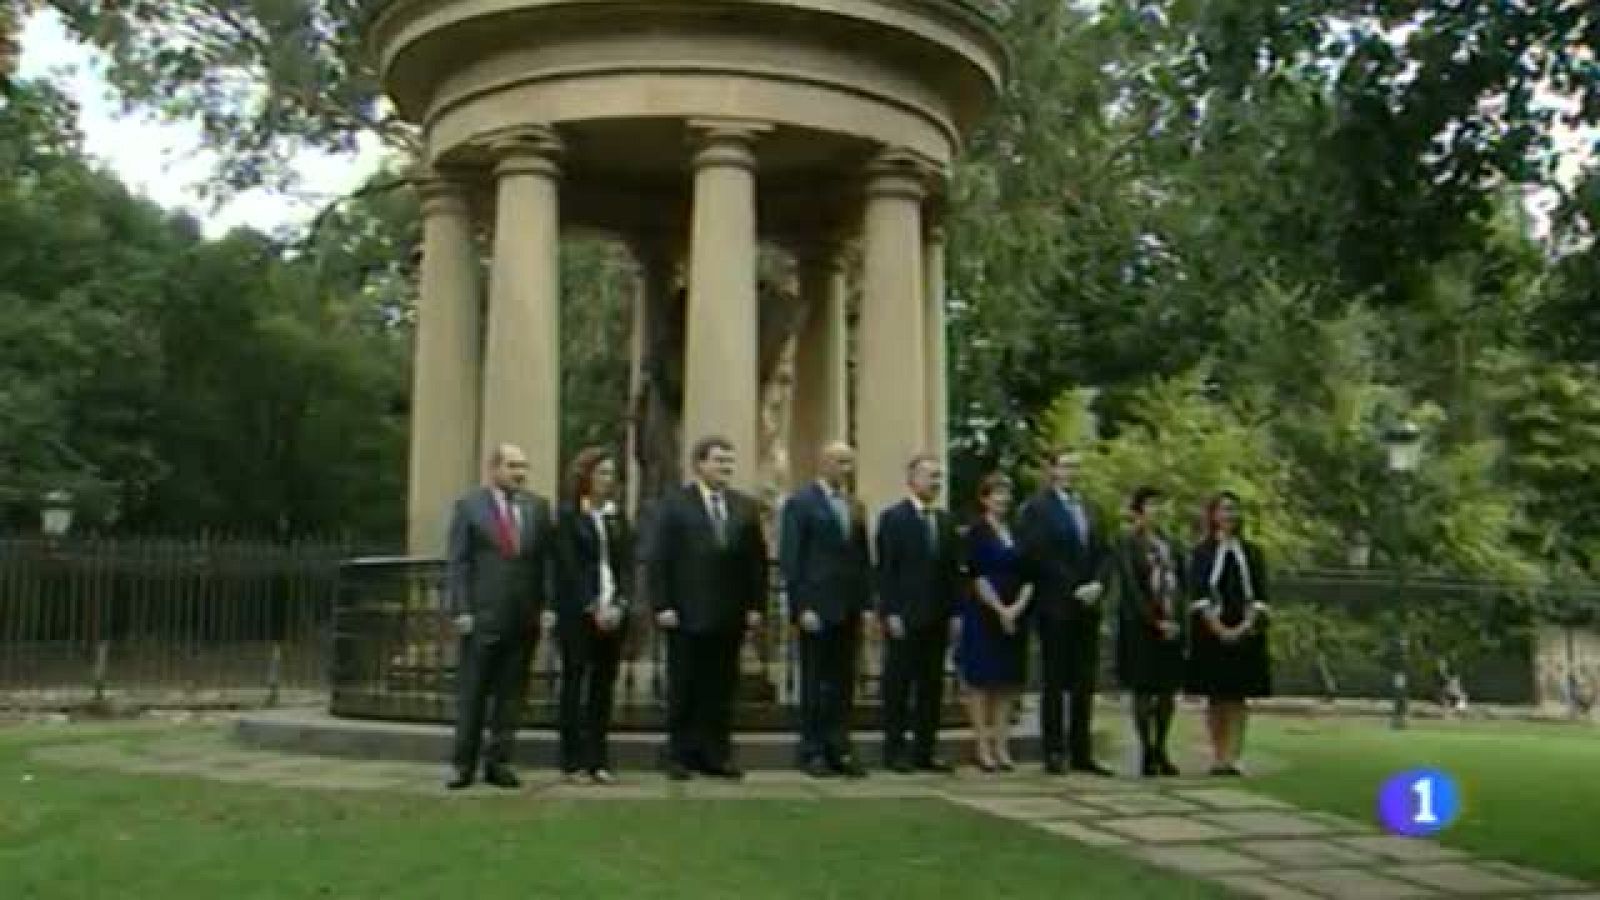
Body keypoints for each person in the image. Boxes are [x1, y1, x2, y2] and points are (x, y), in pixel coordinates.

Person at [647, 435, 768, 780]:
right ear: (700, 464)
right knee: (685, 685)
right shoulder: (675, 505)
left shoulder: (744, 507)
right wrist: (663, 604)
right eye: (718, 460)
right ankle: (679, 755)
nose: (725, 467)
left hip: (729, 612)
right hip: (686, 612)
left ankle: (715, 754)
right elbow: (660, 559)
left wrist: (755, 605)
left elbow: (756, 562)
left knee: (721, 687)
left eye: (729, 461)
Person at [443, 443, 557, 790]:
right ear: (494, 469)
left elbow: (546, 562)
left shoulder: (537, 508)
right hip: (483, 615)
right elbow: (459, 562)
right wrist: (462, 608)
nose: (520, 473)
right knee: (474, 692)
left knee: (512, 695)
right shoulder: (470, 507)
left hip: (523, 616)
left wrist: (548, 605)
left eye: (523, 467)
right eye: (512, 466)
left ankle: (499, 761)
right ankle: (463, 764)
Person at [1017, 448, 1112, 776]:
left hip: (1088, 605)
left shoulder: (1090, 508)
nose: (1072, 473)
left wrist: (1097, 583)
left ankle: (1082, 751)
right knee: (1055, 679)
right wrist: (1074, 586)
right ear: (1052, 471)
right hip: (1056, 604)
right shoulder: (1037, 509)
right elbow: (1037, 554)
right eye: (1066, 467)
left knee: (1085, 680)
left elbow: (1104, 551)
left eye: (1076, 467)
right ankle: (1054, 750)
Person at [779, 441, 871, 779]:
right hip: (816, 608)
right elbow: (792, 559)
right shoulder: (801, 504)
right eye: (841, 462)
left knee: (843, 682)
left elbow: (861, 558)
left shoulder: (854, 505)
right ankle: (813, 750)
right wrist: (801, 606)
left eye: (850, 463)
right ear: (824, 463)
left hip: (848, 606)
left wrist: (866, 604)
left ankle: (839, 747)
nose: (847, 469)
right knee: (815, 681)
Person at [876, 453, 963, 774]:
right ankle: (895, 750)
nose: (936, 482)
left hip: (937, 616)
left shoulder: (946, 522)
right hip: (905, 616)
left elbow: (953, 573)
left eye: (939, 476)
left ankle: (925, 750)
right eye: (930, 476)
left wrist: (955, 613)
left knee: (931, 687)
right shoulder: (894, 518)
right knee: (899, 686)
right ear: (912, 480)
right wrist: (890, 611)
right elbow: (886, 570)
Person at [554, 447, 633, 785]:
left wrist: (620, 604)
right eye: (602, 473)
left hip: (613, 611)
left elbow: (626, 565)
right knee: (575, 682)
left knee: (603, 686)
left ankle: (598, 758)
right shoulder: (569, 516)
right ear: (585, 476)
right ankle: (572, 760)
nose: (608, 480)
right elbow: (568, 567)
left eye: (611, 473)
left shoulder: (617, 517)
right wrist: (591, 605)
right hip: (579, 614)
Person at [1185, 491, 1272, 776]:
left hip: (1245, 628)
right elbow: (1198, 594)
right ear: (1213, 515)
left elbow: (1260, 595)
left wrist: (1245, 626)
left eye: (1233, 509)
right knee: (1216, 696)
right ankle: (1218, 755)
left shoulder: (1252, 552)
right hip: (1210, 630)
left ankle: (1234, 756)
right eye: (1223, 509)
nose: (1229, 515)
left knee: (1238, 697)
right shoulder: (1202, 552)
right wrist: (1219, 628)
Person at [957, 472, 1032, 772]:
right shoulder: (977, 532)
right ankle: (983, 746)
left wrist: (1016, 609)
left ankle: (1002, 745)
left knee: (1007, 682)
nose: (1004, 499)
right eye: (997, 493)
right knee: (981, 681)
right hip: (984, 612)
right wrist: (1000, 609)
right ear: (984, 498)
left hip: (1016, 612)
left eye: (1007, 493)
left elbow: (1030, 574)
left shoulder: (1018, 531)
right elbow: (977, 576)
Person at [1107, 487, 1185, 777]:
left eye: (1161, 505)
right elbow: (1132, 588)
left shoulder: (1172, 544)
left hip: (1171, 625)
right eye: (1152, 505)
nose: (1158, 511)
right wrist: (1154, 621)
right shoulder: (1127, 543)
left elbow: (1182, 584)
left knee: (1166, 691)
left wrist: (1177, 620)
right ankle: (1146, 750)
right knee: (1142, 689)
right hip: (1140, 627)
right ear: (1139, 511)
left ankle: (1161, 748)